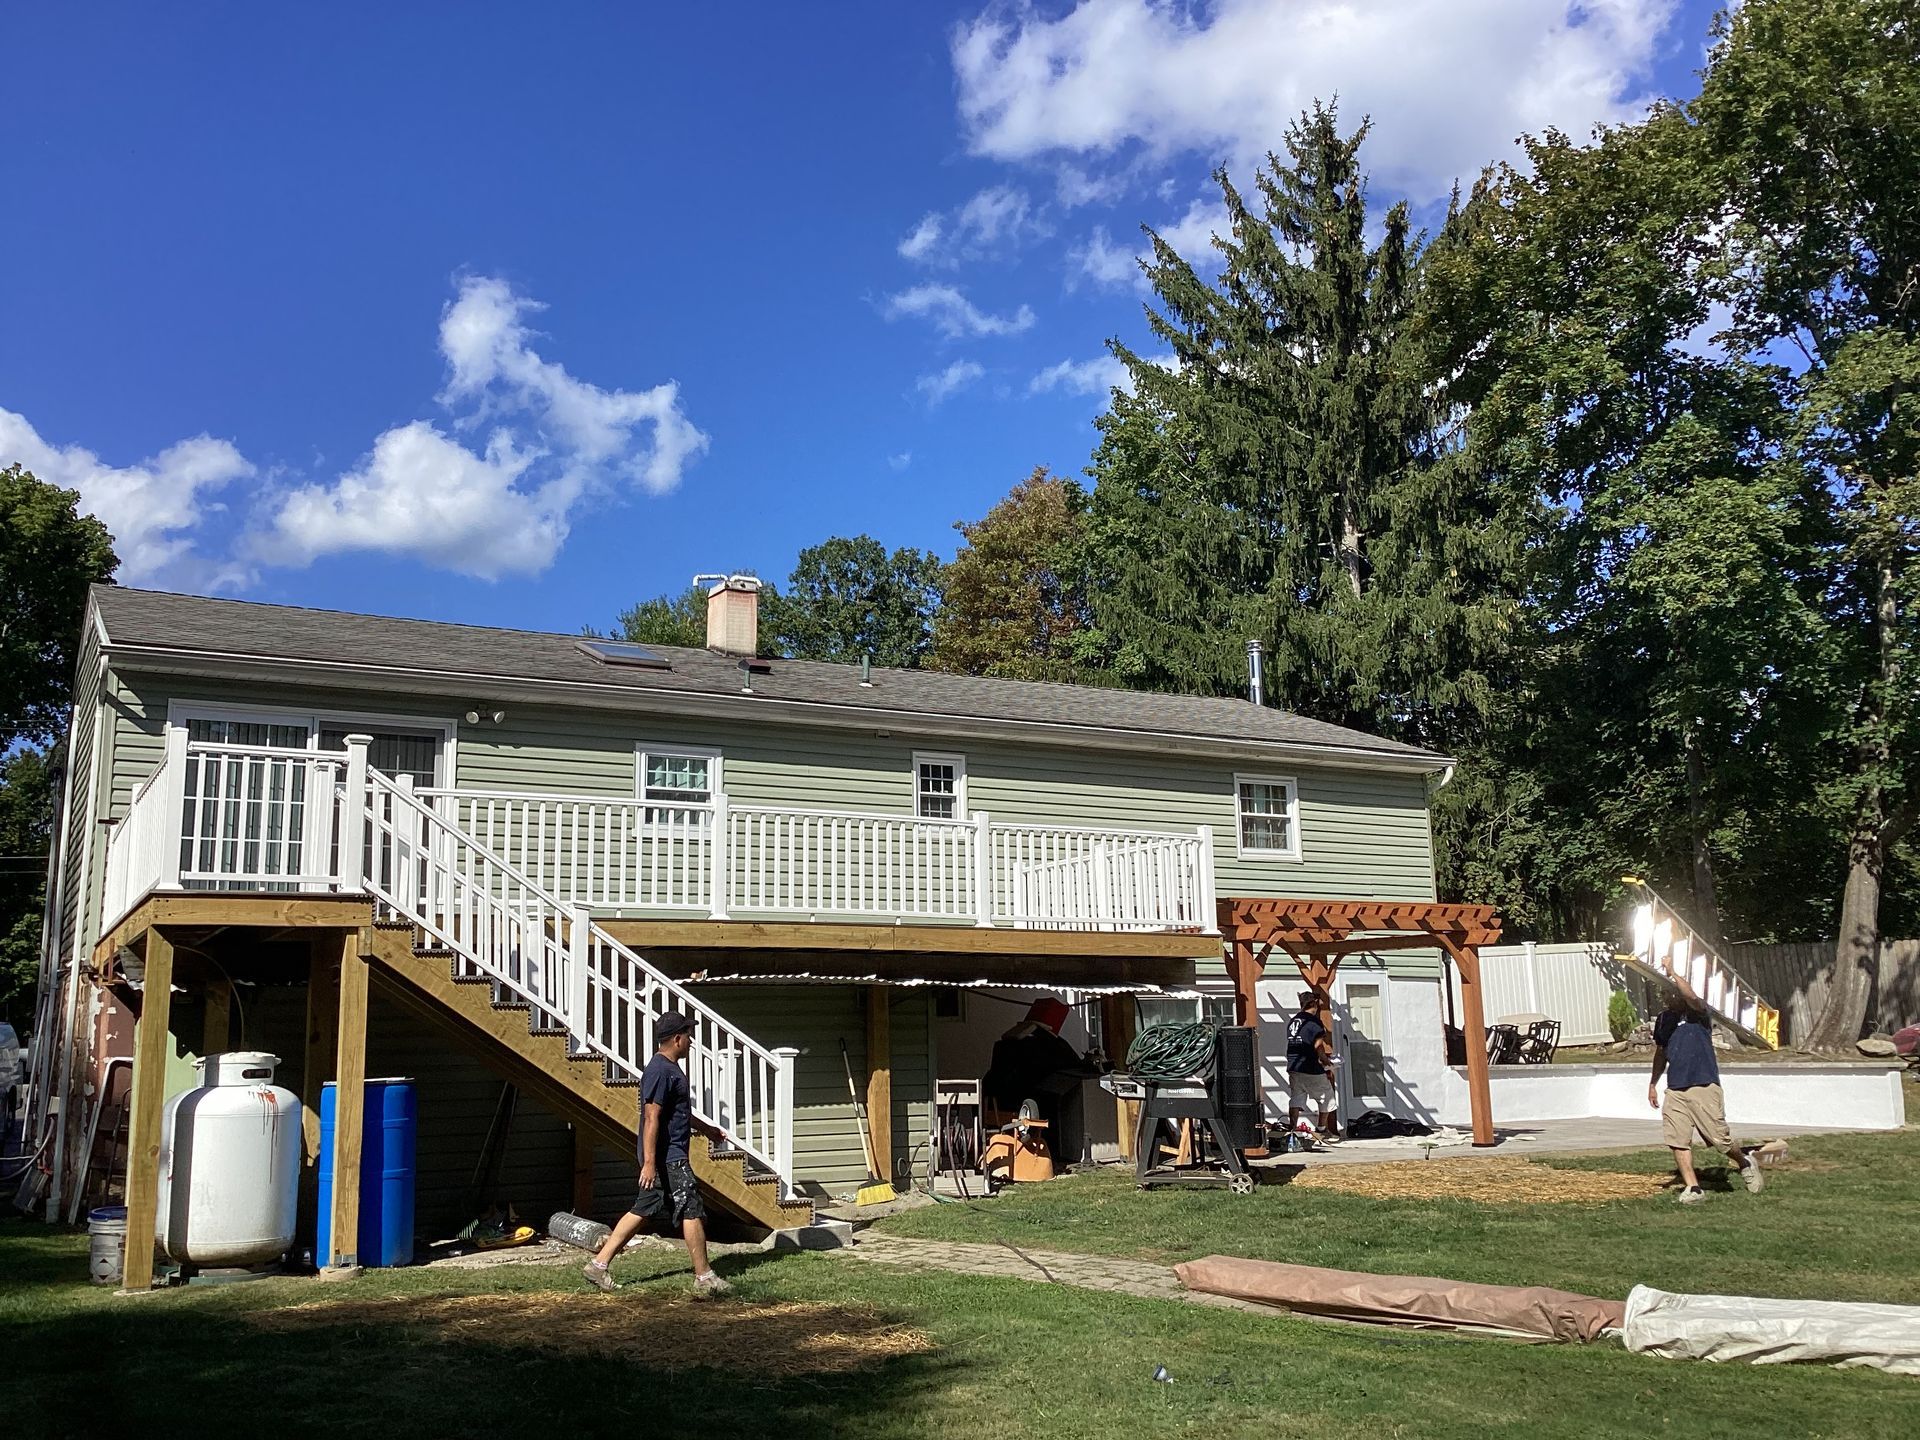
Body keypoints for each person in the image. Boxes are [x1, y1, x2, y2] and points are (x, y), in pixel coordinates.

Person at [583, 1010, 733, 1296]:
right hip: (668, 1156)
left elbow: (676, 1112)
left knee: (643, 1208)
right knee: (691, 1209)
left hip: (666, 1155)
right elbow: (651, 1117)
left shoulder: (668, 1069)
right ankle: (705, 1277)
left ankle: (598, 1265)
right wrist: (650, 1163)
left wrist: (706, 1129)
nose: (691, 1041)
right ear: (677, 1039)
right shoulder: (660, 1070)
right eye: (688, 1036)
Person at [1649, 976, 1765, 1205]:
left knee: (1719, 1140)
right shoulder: (1663, 1020)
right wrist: (1653, 1083)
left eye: (1671, 993)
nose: (1667, 998)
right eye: (1664, 994)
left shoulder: (1698, 1013)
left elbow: (1691, 997)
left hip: (1704, 1084)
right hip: (1676, 1089)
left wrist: (1672, 971)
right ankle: (1693, 1188)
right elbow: (1661, 1052)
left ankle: (1744, 1162)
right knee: (1677, 1139)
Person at [982, 998, 1100, 1166]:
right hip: (1025, 1100)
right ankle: (1052, 1153)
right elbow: (1072, 1063)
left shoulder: (1004, 1044)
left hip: (997, 1097)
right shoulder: (1051, 1044)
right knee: (1049, 1108)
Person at [1284, 991, 1340, 1140]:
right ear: (1313, 1004)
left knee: (1296, 1097)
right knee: (1326, 1097)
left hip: (1293, 1065)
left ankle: (1293, 1129)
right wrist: (1326, 1062)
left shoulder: (1293, 1021)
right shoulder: (1313, 1022)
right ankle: (1321, 1129)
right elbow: (1318, 1046)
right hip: (1309, 1066)